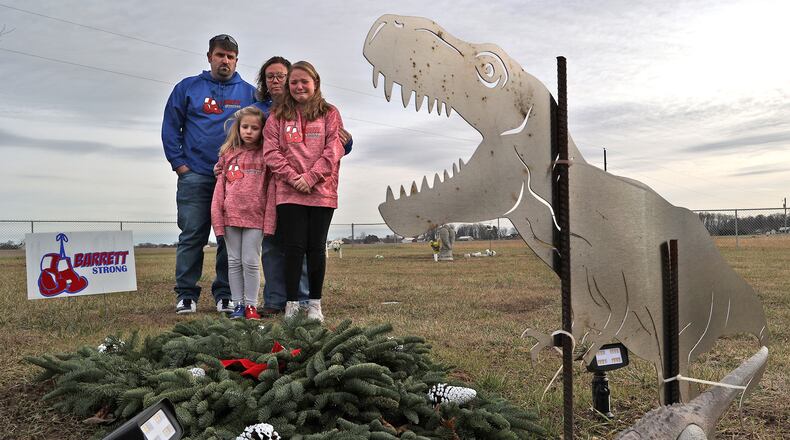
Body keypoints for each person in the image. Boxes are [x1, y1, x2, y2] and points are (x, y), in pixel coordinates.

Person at [162, 34, 256, 314]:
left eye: (230, 56)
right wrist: (180, 165)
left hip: (235, 180)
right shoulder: (188, 88)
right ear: (209, 57)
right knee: (192, 234)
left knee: (229, 237)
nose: (224, 60)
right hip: (196, 175)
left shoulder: (250, 93)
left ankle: (226, 293)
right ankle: (186, 294)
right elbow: (170, 127)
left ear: (237, 60)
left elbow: (271, 124)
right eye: (220, 55)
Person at [253, 56, 353, 317]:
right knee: (293, 248)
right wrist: (293, 177)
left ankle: (315, 305)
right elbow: (271, 152)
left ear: (315, 83)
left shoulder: (330, 113)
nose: (299, 87)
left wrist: (310, 178)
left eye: (304, 82)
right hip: (289, 192)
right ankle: (292, 304)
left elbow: (335, 148)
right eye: (294, 82)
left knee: (316, 248)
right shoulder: (277, 116)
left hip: (321, 191)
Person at [211, 106, 273, 320]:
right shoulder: (227, 155)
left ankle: (251, 306)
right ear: (238, 128)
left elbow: (271, 190)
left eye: (254, 128)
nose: (248, 131)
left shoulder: (267, 157)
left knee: (251, 261)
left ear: (262, 130)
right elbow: (220, 190)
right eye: (245, 127)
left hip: (256, 218)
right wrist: (217, 219)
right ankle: (237, 305)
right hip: (231, 218)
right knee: (234, 261)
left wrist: (269, 221)